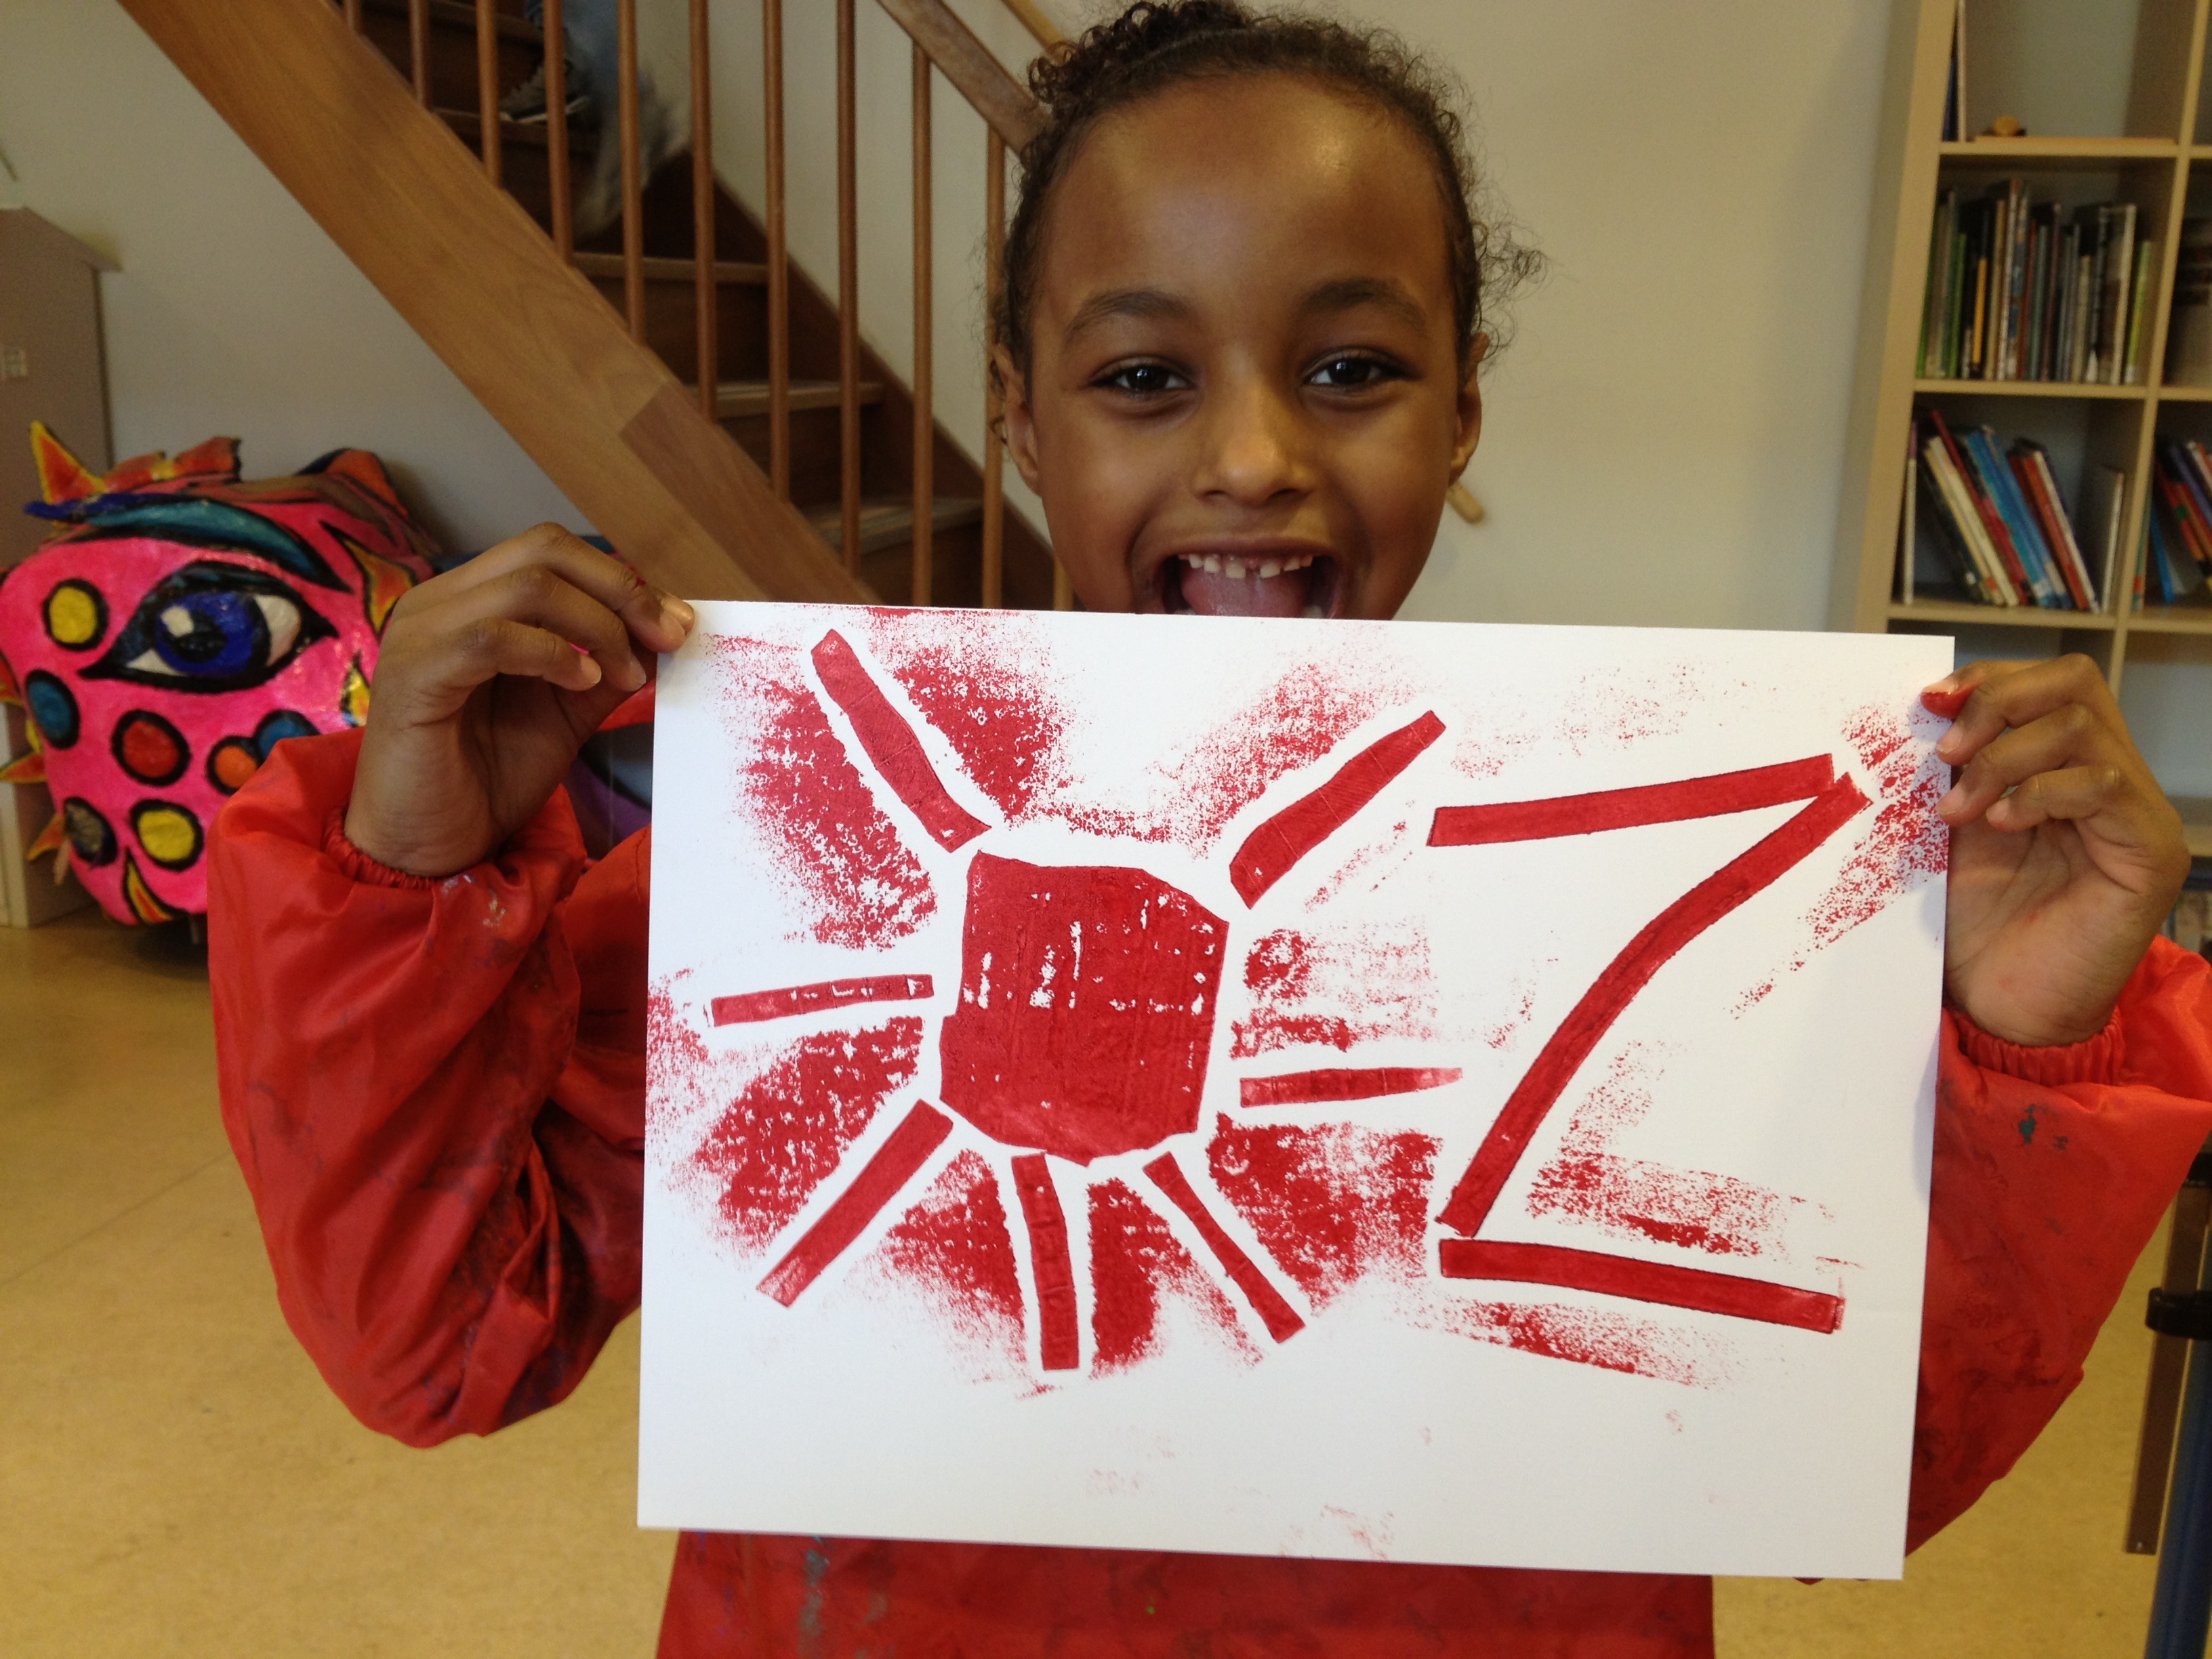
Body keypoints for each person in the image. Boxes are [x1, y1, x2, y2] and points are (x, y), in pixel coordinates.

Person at [207, 4, 2212, 1654]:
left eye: (1350, 368)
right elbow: (435, 1345)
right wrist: (408, 881)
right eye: (1146, 375)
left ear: (1462, 408)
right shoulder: (790, 879)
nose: (1253, 455)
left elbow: (1846, 1466)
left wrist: (2021, 1040)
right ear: (1022, 413)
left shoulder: (1648, 895)